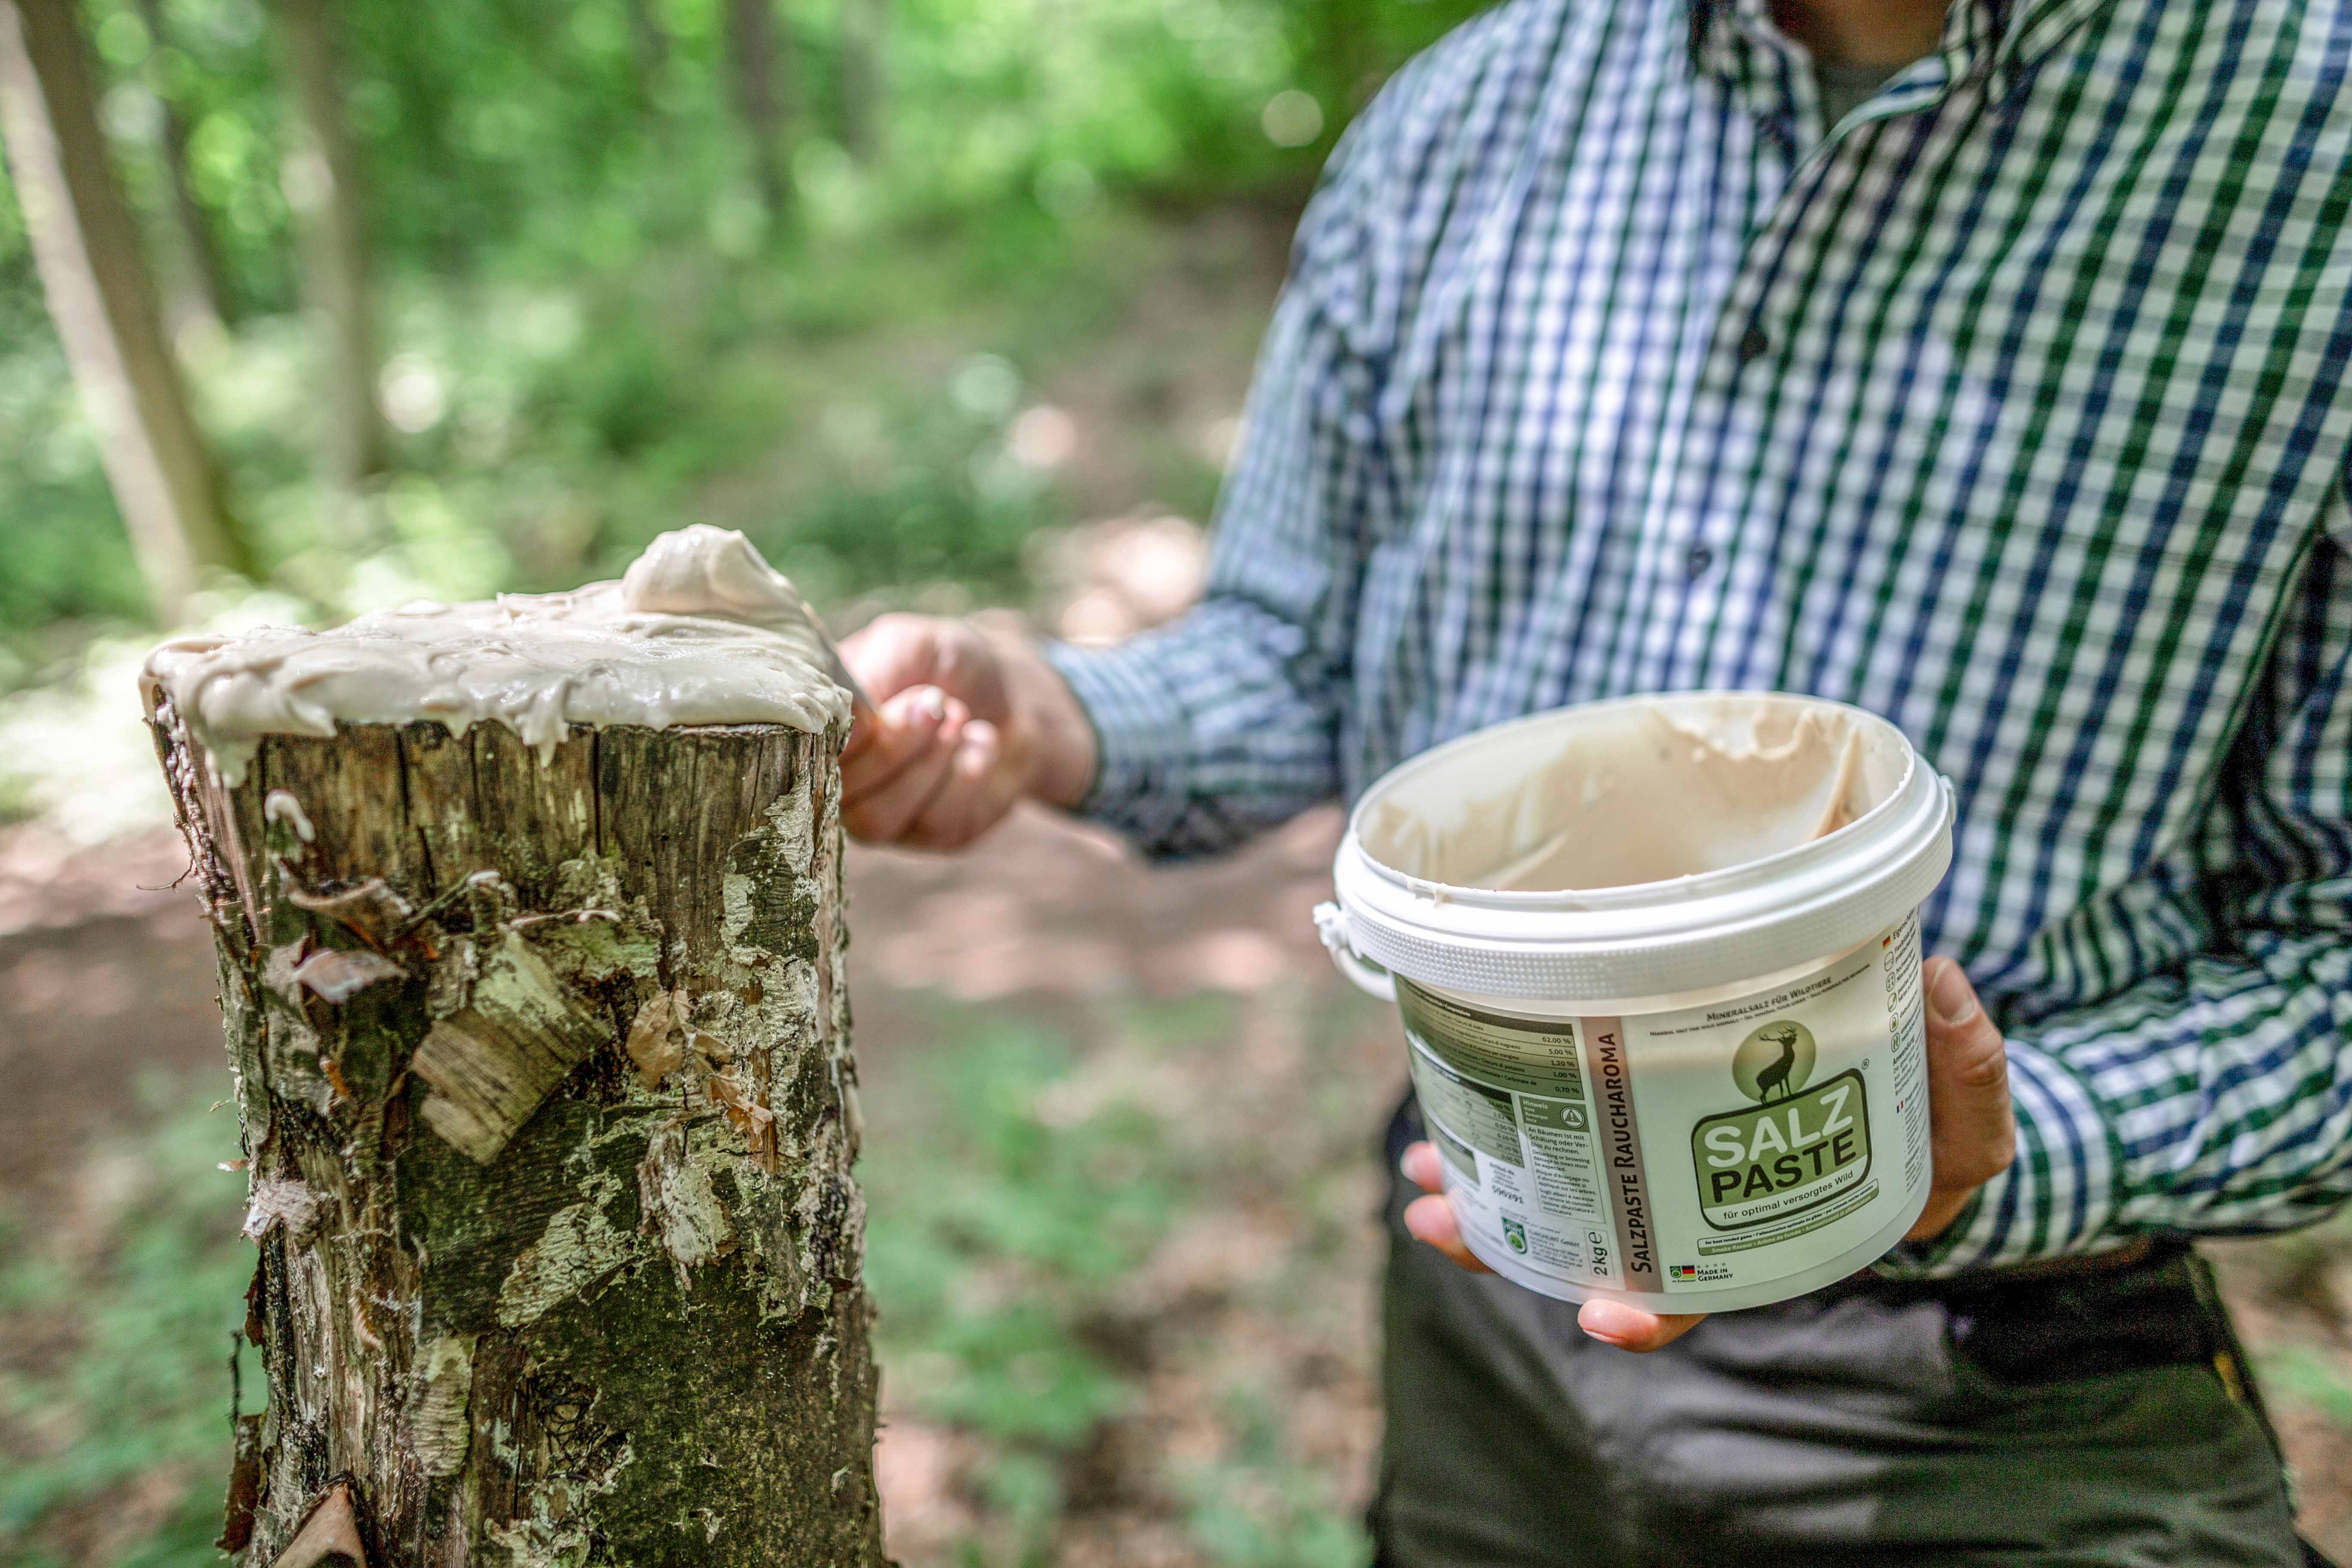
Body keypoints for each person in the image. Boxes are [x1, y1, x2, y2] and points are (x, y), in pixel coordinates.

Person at [838, 0, 2352, 1558]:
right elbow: (1299, 648)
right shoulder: (1465, 121)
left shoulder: (2311, 142)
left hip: (2007, 1385)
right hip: (1503, 1275)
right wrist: (1047, 715)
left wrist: (2003, 1135)